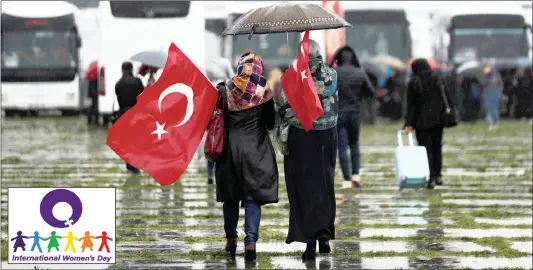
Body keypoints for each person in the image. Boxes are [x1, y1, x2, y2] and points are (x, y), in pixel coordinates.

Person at [275, 40, 338, 260]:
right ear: (319, 54)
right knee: (324, 183)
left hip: (301, 137)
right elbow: (334, 103)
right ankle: (324, 237)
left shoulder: (293, 75)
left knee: (303, 187)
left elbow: (282, 108)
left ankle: (309, 242)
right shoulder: (332, 75)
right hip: (327, 137)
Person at [214, 52, 278, 261]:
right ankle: (250, 242)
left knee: (230, 198)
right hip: (256, 151)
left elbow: (216, 119)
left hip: (229, 151)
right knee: (252, 199)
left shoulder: (225, 90)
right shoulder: (263, 92)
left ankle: (231, 240)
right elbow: (270, 123)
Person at [329, 45, 375, 189]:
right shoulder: (360, 73)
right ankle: (356, 175)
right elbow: (371, 92)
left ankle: (346, 179)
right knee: (354, 144)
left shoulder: (333, 73)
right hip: (354, 113)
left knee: (342, 146)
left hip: (339, 113)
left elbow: (327, 92)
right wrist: (359, 97)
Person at [404, 58, 453, 189]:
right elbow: (446, 97)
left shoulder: (413, 83)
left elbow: (411, 106)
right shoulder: (437, 78)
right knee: (437, 148)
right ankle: (438, 175)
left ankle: (430, 177)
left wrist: (409, 124)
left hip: (421, 122)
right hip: (438, 120)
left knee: (425, 150)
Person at [204, 58, 235, 184]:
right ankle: (220, 174)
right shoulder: (229, 87)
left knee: (212, 146)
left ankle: (210, 173)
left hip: (213, 124)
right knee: (223, 150)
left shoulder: (209, 87)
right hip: (226, 125)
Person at [115, 61, 145, 174]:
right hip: (135, 115)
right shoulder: (136, 81)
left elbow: (119, 100)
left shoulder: (118, 84)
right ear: (131, 69)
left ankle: (129, 165)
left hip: (123, 115)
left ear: (122, 70)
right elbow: (143, 96)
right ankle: (135, 165)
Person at [482, 65, 503, 130]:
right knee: (488, 110)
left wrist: (499, 92)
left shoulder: (496, 76)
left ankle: (495, 123)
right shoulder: (486, 77)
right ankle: (490, 124)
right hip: (488, 94)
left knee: (494, 110)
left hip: (495, 94)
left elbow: (500, 85)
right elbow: (484, 86)